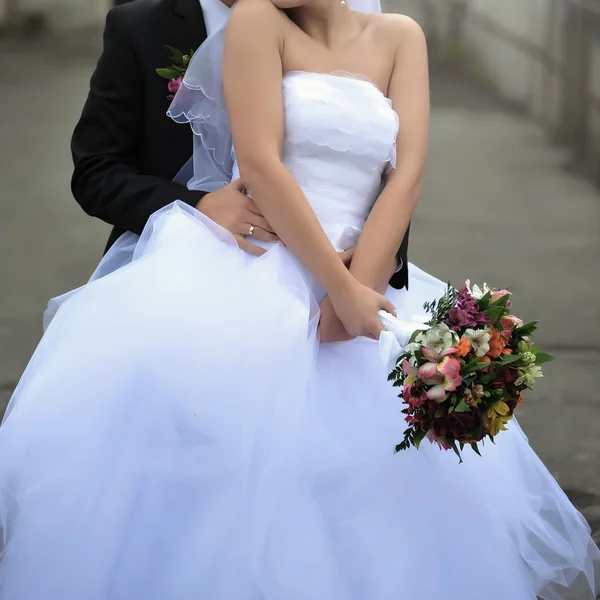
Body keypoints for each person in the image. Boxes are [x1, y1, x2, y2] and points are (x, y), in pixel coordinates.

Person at [0, 1, 598, 599]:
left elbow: (404, 173)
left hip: (358, 275)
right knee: (216, 467)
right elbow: (218, 162)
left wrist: (357, 289)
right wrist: (203, 207)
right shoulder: (209, 24)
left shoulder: (398, 36)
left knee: (369, 488)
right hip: (241, 272)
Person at [70, 0, 411, 343]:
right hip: (204, 278)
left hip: (353, 273)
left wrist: (369, 273)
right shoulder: (140, 28)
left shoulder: (323, 22)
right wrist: (196, 205)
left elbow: (372, 161)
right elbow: (96, 171)